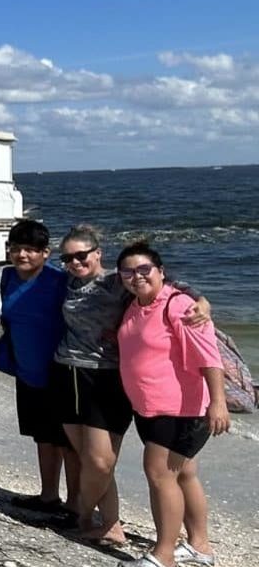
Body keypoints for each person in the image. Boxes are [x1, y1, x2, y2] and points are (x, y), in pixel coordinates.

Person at [52, 225, 210, 547]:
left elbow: (169, 286)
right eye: (67, 258)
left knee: (101, 460)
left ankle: (84, 514)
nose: (74, 263)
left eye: (81, 255)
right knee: (85, 454)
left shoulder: (119, 281)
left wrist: (203, 302)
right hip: (66, 372)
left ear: (98, 253)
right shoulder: (66, 282)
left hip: (108, 377)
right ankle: (109, 524)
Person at [114, 243, 229, 567]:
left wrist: (218, 403)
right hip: (150, 408)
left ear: (161, 272)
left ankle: (163, 556)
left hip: (182, 410)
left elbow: (210, 357)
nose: (136, 277)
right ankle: (199, 546)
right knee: (185, 474)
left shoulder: (180, 306)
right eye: (128, 272)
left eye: (144, 270)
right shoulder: (134, 305)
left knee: (160, 474)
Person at [0, 220, 74, 516]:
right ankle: (49, 495)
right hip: (25, 370)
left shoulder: (60, 280)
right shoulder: (8, 276)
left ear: (45, 253)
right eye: (15, 248)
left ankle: (76, 504)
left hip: (59, 372)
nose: (22, 255)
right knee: (42, 436)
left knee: (67, 441)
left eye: (30, 249)